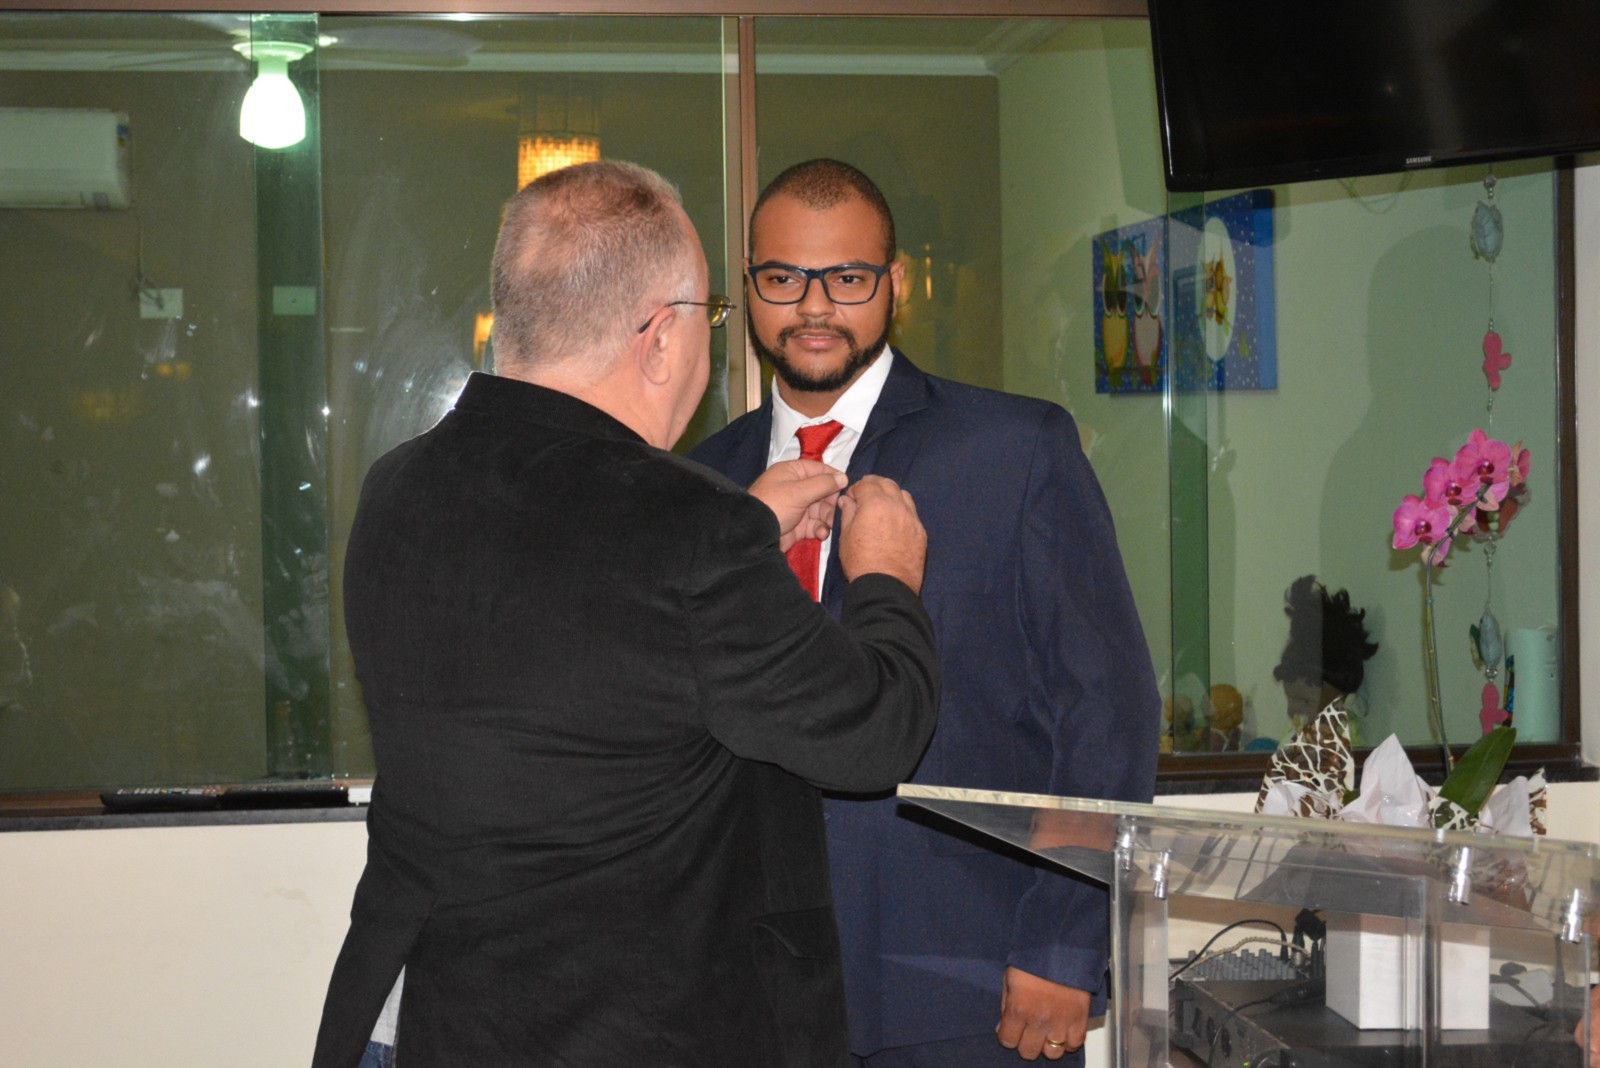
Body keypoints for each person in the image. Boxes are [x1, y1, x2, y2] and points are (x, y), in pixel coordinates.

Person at [312, 160, 942, 1068]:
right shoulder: (686, 528)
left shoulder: (398, 486)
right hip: (616, 1029)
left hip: (426, 1019)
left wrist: (741, 532)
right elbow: (873, 737)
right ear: (660, 337)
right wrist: (885, 576)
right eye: (711, 317)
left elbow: (576, 633)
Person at [691, 159, 1160, 1065]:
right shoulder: (705, 482)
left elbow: (1106, 708)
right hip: (748, 989)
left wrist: (1062, 939)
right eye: (783, 278)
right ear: (749, 286)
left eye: (848, 278)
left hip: (967, 985)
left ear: (895, 284)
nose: (813, 306)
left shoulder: (1015, 451)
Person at [1271, 574, 1379, 729]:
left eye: (1306, 701)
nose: (1292, 711)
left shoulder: (1341, 737)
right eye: (1290, 698)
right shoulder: (1298, 730)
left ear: (1341, 702)